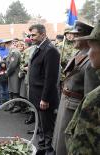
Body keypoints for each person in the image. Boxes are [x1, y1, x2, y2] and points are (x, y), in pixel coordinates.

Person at [52, 21, 100, 155]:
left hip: (73, 108)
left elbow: (89, 97)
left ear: (85, 38)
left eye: (76, 35)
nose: (72, 38)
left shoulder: (91, 62)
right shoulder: (77, 54)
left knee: (65, 144)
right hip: (66, 102)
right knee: (59, 140)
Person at [28, 24, 60, 154]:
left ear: (43, 34)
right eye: (30, 35)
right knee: (41, 126)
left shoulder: (50, 50)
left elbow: (51, 78)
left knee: (47, 129)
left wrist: (45, 99)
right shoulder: (39, 48)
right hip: (37, 95)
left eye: (34, 35)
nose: (31, 38)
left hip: (44, 98)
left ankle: (49, 151)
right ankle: (41, 149)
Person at [4, 39, 22, 113]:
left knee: (15, 90)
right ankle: (12, 105)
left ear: (8, 44)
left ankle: (17, 106)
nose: (6, 46)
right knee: (11, 90)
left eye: (6, 45)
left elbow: (12, 65)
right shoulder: (11, 52)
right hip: (12, 74)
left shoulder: (14, 52)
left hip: (14, 74)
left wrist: (7, 72)